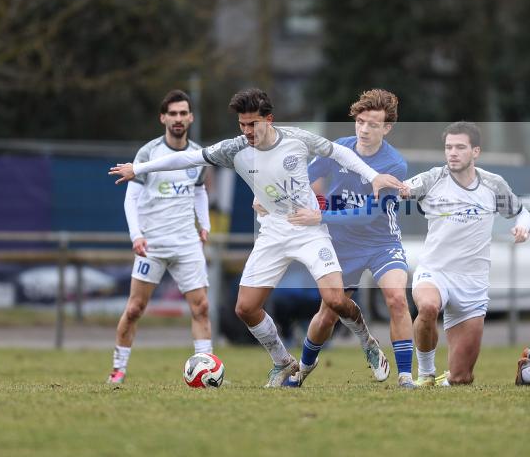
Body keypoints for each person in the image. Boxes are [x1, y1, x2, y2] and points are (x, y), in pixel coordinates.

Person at [109, 88, 404, 387]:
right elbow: (188, 158)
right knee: (245, 308)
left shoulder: (297, 139)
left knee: (335, 300)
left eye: (253, 124)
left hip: (308, 228)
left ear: (269, 120)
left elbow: (339, 152)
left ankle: (368, 342)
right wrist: (138, 168)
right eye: (242, 124)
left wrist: (373, 177)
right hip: (273, 231)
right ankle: (283, 362)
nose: (248, 131)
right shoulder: (234, 149)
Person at [280, 89, 415, 388]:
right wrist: (272, 196)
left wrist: (320, 216)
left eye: (373, 125)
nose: (364, 130)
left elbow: (369, 214)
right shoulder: (339, 148)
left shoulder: (394, 164)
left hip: (382, 243)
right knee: (328, 313)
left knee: (396, 298)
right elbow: (303, 177)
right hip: (342, 245)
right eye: (360, 122)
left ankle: (406, 377)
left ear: (387, 128)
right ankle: (301, 372)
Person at [401, 121, 530, 386]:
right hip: (435, 272)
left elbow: (522, 212)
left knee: (462, 378)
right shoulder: (433, 178)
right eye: (448, 147)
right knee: (427, 306)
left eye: (460, 147)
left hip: (472, 282)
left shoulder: (493, 184)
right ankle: (426, 374)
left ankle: (448, 378)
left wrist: (523, 227)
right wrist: (399, 190)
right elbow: (403, 188)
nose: (453, 153)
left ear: (476, 151)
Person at [107, 90, 213, 384]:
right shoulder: (148, 154)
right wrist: (136, 235)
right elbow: (131, 199)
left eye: (183, 113)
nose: (178, 119)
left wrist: (204, 224)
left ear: (191, 118)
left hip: (187, 244)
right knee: (134, 308)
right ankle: (118, 370)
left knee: (201, 307)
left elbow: (199, 190)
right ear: (163, 118)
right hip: (152, 245)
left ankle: (206, 370)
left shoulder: (197, 155)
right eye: (173, 114)